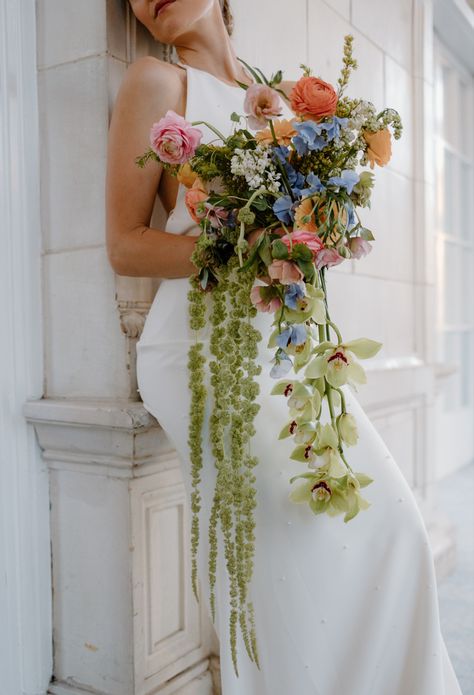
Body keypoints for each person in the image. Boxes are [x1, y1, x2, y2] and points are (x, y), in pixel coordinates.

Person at [105, 2, 463, 693]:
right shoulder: (155, 82)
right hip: (204, 352)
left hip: (289, 350)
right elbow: (124, 244)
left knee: (394, 528)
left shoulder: (284, 100)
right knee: (290, 555)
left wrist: (318, 232)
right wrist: (252, 249)